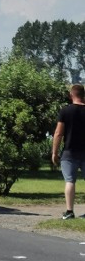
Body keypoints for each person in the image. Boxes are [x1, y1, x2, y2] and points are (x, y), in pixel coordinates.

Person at [52, 84, 85, 220]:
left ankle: (70, 211)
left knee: (70, 181)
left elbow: (59, 133)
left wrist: (54, 152)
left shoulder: (65, 111)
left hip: (69, 152)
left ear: (71, 95)